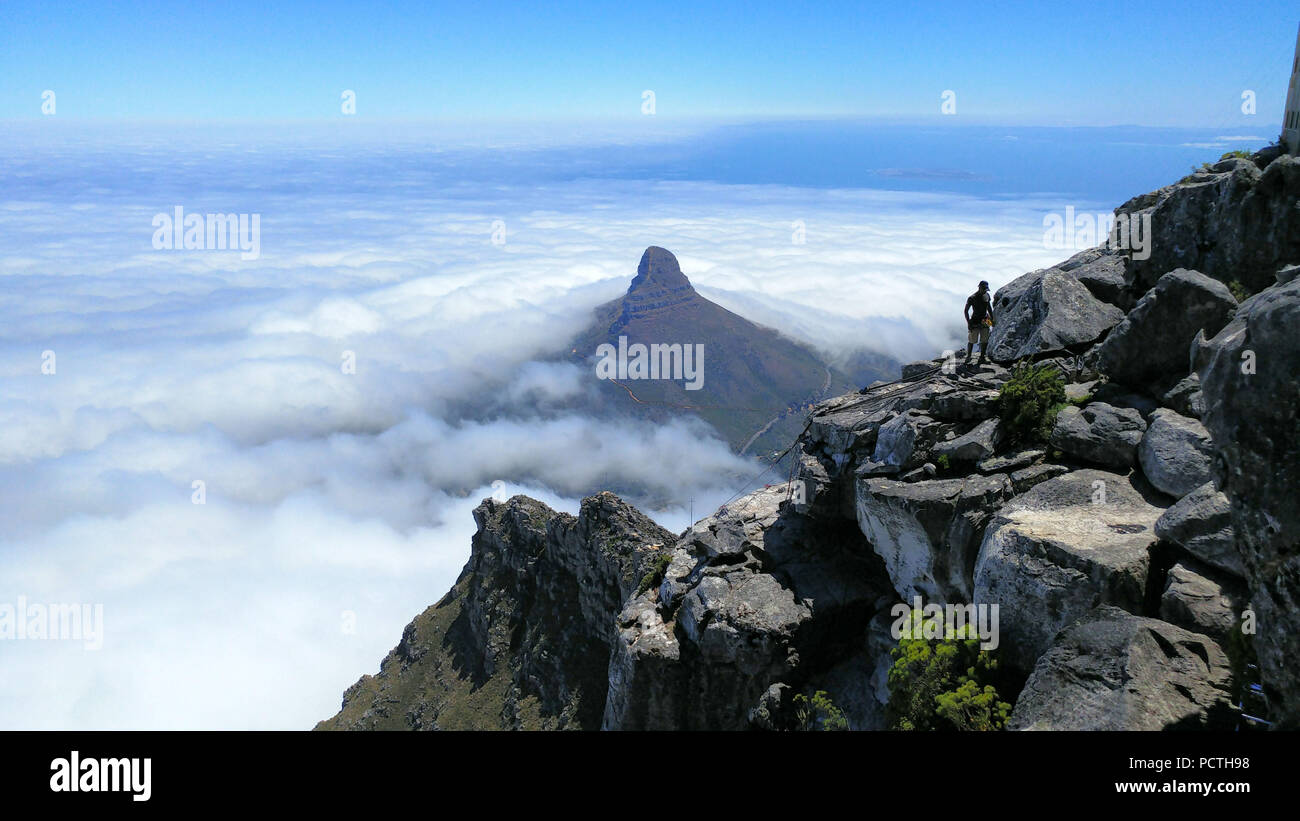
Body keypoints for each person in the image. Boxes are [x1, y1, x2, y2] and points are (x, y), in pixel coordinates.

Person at [963, 281, 994, 366]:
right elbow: (966, 310)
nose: (985, 291)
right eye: (984, 289)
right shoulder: (972, 298)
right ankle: (968, 356)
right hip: (975, 321)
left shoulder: (986, 296)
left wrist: (992, 319)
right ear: (979, 287)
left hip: (985, 319)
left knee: (985, 340)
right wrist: (969, 322)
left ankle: (982, 357)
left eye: (986, 289)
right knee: (972, 340)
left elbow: (989, 307)